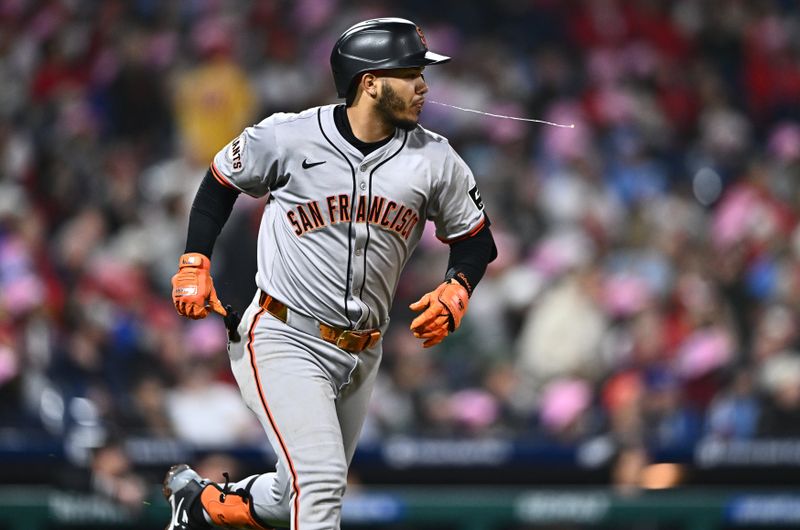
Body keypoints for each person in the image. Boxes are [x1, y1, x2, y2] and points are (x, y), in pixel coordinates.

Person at [164, 17, 497, 530]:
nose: (424, 85)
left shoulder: (436, 159)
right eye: (410, 73)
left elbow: (477, 240)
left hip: (362, 351)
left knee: (298, 488)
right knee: (318, 484)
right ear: (370, 82)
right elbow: (219, 182)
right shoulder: (289, 137)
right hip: (282, 334)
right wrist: (194, 260)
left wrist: (458, 286)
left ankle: (206, 506)